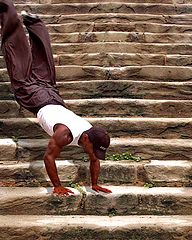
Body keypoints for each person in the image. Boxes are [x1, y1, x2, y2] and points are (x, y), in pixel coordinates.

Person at [0, 0, 112, 195]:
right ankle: (5, 7)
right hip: (36, 98)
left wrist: (94, 184)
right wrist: (57, 186)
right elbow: (48, 158)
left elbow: (95, 160)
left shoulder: (90, 132)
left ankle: (34, 22)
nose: (93, 155)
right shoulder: (64, 133)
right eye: (93, 150)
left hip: (52, 95)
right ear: (86, 138)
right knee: (16, 54)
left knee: (44, 62)